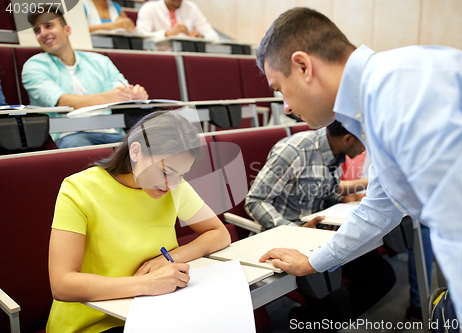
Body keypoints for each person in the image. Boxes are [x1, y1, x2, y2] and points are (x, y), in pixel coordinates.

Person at [257, 8, 462, 330]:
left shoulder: (398, 93)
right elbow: (378, 209)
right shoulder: (379, 99)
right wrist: (312, 262)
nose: (285, 107)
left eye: (279, 88)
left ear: (303, 66)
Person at [46, 111, 231, 332]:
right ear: (136, 151)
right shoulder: (78, 189)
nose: (171, 185)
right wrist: (145, 285)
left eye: (181, 175)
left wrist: (169, 260)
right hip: (96, 322)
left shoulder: (173, 186)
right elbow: (62, 285)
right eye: (165, 172)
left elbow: (219, 233)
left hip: (154, 311)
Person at [246, 120, 394, 328]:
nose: (365, 149)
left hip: (320, 235)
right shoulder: (293, 151)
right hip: (288, 239)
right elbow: (255, 200)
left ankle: (309, 321)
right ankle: (318, 322)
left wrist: (345, 198)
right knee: (337, 301)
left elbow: (324, 191)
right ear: (348, 138)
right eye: (365, 142)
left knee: (383, 276)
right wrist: (293, 231)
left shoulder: (335, 152)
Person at [22, 7, 148, 148]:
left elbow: (123, 91)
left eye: (48, 26)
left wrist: (135, 94)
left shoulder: (100, 61)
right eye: (37, 30)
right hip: (70, 134)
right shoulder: (33, 66)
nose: (43, 33)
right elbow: (61, 102)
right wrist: (110, 97)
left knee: (144, 149)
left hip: (111, 130)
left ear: (67, 30)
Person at [136, 0, 219, 41]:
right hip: (158, 58)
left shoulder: (192, 8)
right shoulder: (149, 8)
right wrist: (167, 34)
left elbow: (214, 37)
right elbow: (141, 37)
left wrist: (200, 36)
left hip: (188, 58)